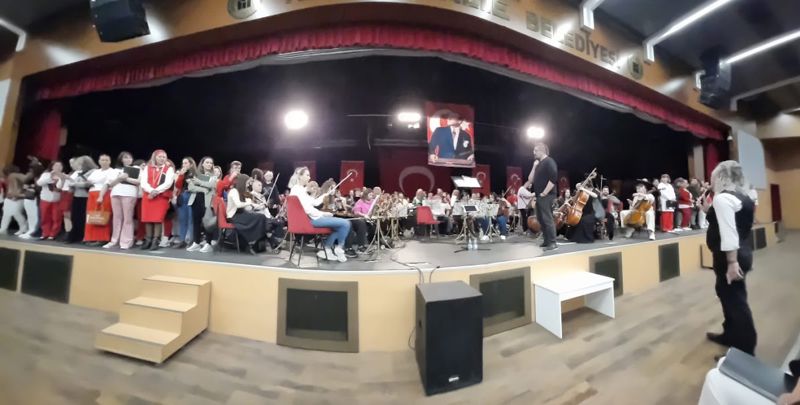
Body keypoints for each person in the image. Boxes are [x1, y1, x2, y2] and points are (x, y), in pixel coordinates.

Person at [703, 160, 757, 358]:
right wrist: (707, 211)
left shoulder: (723, 198)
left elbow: (729, 232)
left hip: (730, 257)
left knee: (735, 301)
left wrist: (732, 263)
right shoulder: (745, 197)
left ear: (721, 177)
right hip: (741, 252)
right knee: (727, 295)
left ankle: (745, 351)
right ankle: (731, 335)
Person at [288, 166, 351, 262]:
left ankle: (327, 249)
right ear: (300, 176)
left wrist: (326, 194)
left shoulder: (300, 190)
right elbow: (307, 210)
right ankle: (338, 248)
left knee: (339, 227)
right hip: (310, 221)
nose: (309, 178)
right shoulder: (298, 190)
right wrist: (323, 214)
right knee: (345, 223)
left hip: (309, 219)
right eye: (307, 175)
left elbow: (314, 203)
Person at [139, 150, 175, 250]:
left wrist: (156, 191)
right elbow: (143, 182)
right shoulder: (148, 168)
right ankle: (148, 239)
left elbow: (168, 183)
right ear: (155, 157)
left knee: (157, 219)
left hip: (160, 197)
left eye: (164, 157)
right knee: (147, 219)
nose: (162, 159)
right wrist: (151, 190)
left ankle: (155, 240)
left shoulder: (169, 169)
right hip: (148, 196)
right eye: (160, 157)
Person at [104, 152, 140, 249]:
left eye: (130, 158)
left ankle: (126, 241)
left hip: (129, 194)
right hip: (115, 194)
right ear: (121, 159)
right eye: (125, 157)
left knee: (127, 218)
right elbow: (110, 184)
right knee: (116, 218)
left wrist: (126, 178)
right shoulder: (115, 170)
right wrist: (119, 178)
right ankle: (114, 240)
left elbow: (139, 182)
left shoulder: (136, 168)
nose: (128, 159)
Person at [186, 156, 217, 253]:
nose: (209, 164)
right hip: (196, 200)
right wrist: (203, 189)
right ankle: (196, 243)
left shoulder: (213, 176)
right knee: (196, 222)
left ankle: (208, 243)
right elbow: (191, 187)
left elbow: (211, 185)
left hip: (207, 201)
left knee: (207, 223)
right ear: (202, 164)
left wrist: (199, 182)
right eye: (207, 162)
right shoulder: (197, 174)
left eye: (211, 163)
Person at [530, 143, 558, 250]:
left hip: (547, 195)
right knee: (541, 219)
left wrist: (545, 192)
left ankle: (553, 242)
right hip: (539, 196)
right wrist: (534, 166)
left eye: (535, 150)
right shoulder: (538, 164)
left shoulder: (549, 161)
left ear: (542, 151)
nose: (534, 152)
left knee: (547, 218)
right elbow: (531, 180)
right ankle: (547, 241)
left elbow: (553, 177)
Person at [84, 154, 115, 245]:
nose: (104, 162)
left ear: (110, 161)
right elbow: (88, 181)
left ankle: (102, 238)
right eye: (102, 160)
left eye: (106, 160)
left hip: (104, 193)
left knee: (102, 215)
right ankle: (90, 237)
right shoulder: (95, 171)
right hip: (92, 193)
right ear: (99, 161)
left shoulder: (112, 171)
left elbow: (107, 182)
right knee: (91, 215)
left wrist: (96, 182)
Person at [65, 156, 97, 244]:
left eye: (79, 164)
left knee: (84, 217)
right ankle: (75, 235)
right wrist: (72, 185)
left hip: (86, 197)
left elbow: (89, 184)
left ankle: (83, 236)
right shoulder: (79, 172)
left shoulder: (93, 172)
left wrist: (74, 184)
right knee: (75, 217)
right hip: (77, 196)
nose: (78, 165)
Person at [173, 157, 198, 249]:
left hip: (192, 196)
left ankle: (191, 240)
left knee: (191, 219)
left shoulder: (196, 173)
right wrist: (181, 175)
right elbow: (178, 186)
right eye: (183, 163)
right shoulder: (182, 173)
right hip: (183, 196)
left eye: (186, 163)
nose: (184, 165)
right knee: (182, 219)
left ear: (191, 164)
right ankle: (182, 240)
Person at [36, 161, 65, 240]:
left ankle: (53, 234)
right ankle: (45, 233)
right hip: (45, 198)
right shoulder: (46, 174)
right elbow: (39, 183)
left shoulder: (63, 176)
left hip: (57, 200)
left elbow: (60, 187)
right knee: (45, 217)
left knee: (56, 217)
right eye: (56, 165)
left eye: (60, 166)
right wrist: (50, 178)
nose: (58, 167)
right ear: (52, 166)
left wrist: (61, 179)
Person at [0, 165, 26, 235]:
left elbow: (23, 188)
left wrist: (17, 195)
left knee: (16, 213)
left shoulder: (19, 177)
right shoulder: (7, 178)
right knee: (6, 214)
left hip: (17, 198)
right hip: (9, 198)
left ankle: (23, 228)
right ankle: (3, 228)